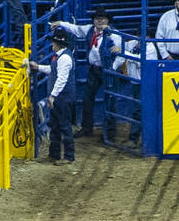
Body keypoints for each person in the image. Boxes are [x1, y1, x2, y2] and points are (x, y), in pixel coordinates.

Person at [49, 10, 122, 140]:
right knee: (87, 99)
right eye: (97, 18)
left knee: (110, 101)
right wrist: (61, 23)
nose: (99, 21)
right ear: (94, 20)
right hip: (94, 69)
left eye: (103, 19)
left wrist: (112, 68)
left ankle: (110, 134)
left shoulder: (114, 35)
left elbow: (121, 55)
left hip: (108, 71)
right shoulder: (89, 30)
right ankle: (86, 128)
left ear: (107, 21)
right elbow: (75, 28)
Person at [29, 30, 76, 166]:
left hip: (63, 97)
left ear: (59, 43)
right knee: (56, 125)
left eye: (54, 42)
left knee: (64, 125)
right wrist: (38, 67)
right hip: (61, 97)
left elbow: (62, 78)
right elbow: (53, 70)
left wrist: (52, 95)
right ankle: (54, 154)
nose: (52, 45)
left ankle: (69, 156)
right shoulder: (61, 57)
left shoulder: (65, 58)